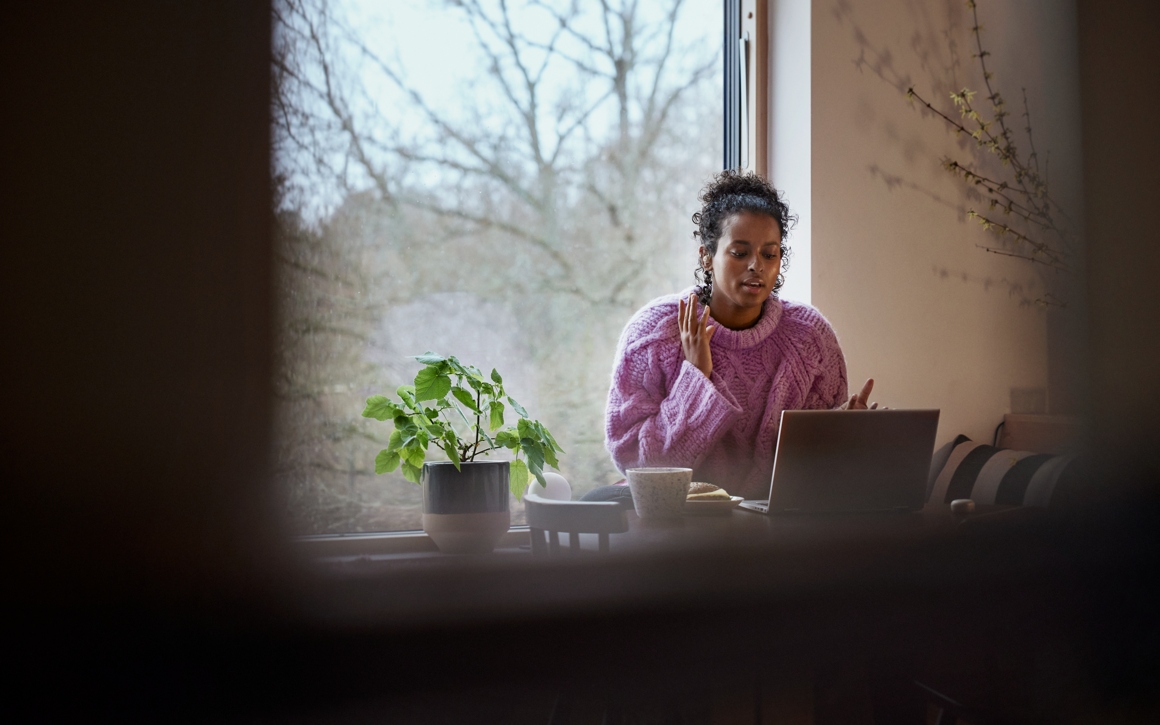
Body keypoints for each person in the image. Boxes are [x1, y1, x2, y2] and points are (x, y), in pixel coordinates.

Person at [600, 170, 879, 500]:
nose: (756, 266)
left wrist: (844, 433)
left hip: (775, 530)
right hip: (683, 525)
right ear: (706, 256)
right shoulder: (654, 334)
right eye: (740, 252)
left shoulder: (810, 338)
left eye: (769, 254)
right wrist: (696, 378)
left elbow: (820, 481)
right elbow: (637, 463)